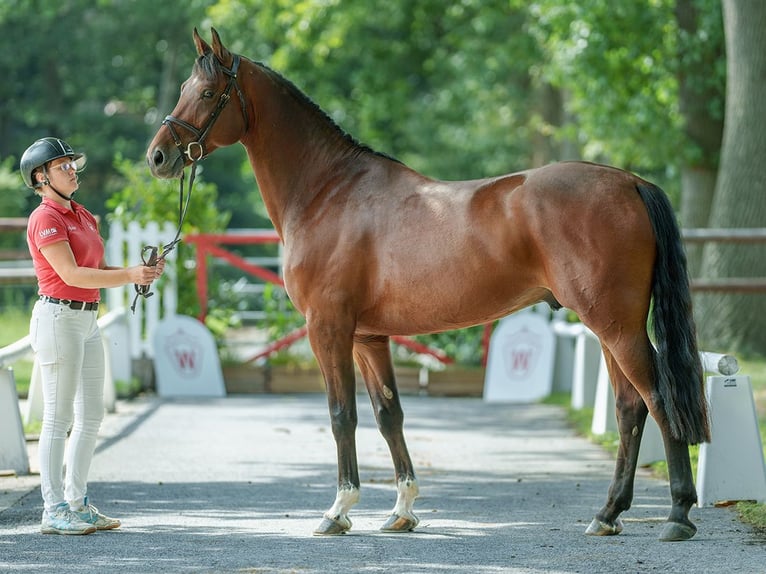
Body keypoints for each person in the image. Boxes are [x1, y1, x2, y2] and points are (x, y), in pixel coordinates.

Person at [20, 137, 164, 535]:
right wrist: (129, 276)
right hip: (58, 317)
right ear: (40, 177)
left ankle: (77, 501)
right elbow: (72, 275)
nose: (72, 170)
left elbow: (97, 268)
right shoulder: (45, 218)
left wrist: (139, 271)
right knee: (58, 417)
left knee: (91, 416)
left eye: (71, 164)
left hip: (86, 320)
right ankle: (52, 507)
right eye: (62, 165)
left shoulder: (83, 215)